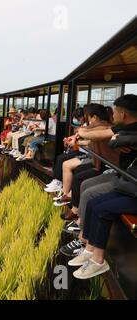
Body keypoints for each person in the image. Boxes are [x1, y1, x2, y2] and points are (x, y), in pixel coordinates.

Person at [59, 94, 137, 263]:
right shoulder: (123, 128)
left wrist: (81, 133)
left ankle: (84, 242)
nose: (112, 114)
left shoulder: (129, 130)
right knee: (87, 186)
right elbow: (101, 135)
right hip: (123, 177)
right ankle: (83, 237)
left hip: (127, 181)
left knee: (91, 194)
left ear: (123, 114)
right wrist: (83, 134)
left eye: (115, 111)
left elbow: (101, 135)